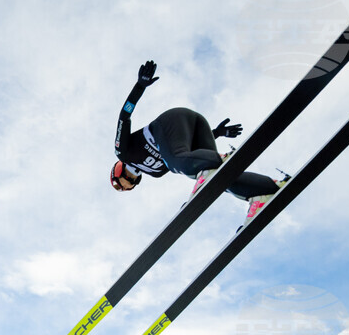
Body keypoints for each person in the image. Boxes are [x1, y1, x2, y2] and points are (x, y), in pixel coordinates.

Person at [111, 60, 285, 220]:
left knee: (179, 164)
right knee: (220, 180)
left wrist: (140, 86)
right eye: (127, 188)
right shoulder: (156, 173)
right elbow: (188, 151)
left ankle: (218, 159)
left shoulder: (123, 152)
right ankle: (266, 190)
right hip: (197, 127)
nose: (127, 185)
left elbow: (124, 116)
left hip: (171, 120)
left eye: (121, 184)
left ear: (118, 172)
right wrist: (217, 133)